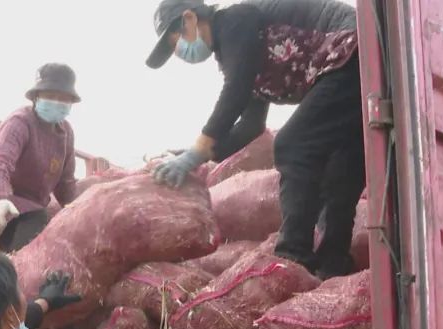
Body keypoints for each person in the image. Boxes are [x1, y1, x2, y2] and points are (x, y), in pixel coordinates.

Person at [147, 0, 363, 280]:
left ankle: (292, 256)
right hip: (354, 68)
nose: (178, 53)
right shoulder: (236, 51)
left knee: (291, 144)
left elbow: (235, 90)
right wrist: (201, 155)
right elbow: (251, 125)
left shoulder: (234, 21)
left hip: (350, 48)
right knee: (339, 170)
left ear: (189, 18)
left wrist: (198, 148)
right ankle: (332, 264)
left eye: (174, 41)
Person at [0, 63, 81, 253]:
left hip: (29, 203)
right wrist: (0, 198)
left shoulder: (66, 133)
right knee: (35, 219)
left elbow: (65, 184)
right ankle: (18, 275)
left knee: (49, 222)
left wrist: (80, 211)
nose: (57, 102)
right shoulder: (20, 122)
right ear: (36, 97)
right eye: (50, 96)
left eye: (63, 98)